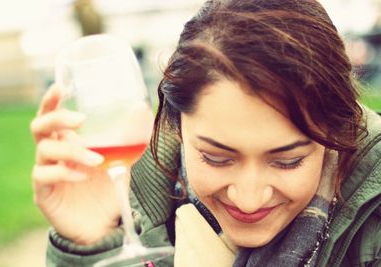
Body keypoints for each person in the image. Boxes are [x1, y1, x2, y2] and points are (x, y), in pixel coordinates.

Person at [30, 0, 381, 266]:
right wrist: (92, 245)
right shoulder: (129, 194)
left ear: (338, 127)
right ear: (176, 124)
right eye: (216, 157)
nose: (248, 199)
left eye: (288, 161)